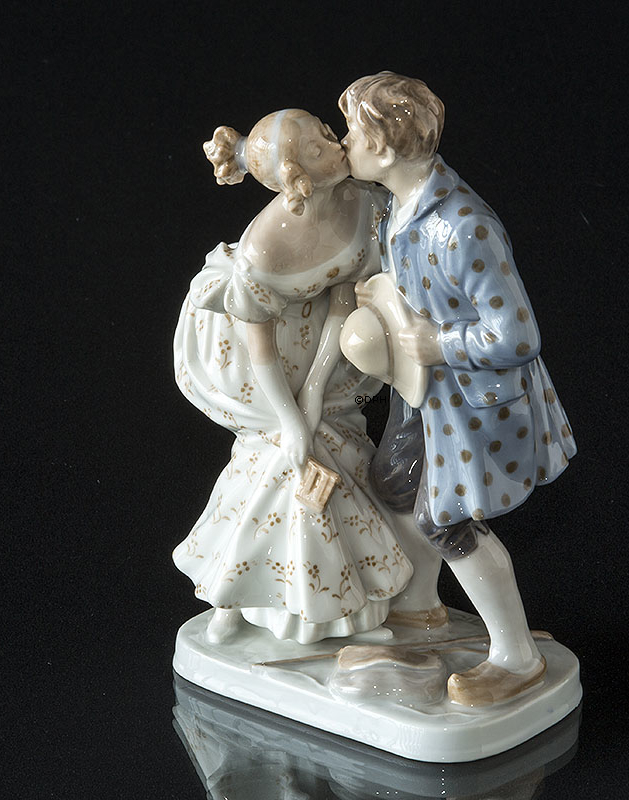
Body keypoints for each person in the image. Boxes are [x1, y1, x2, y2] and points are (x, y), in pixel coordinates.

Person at [339, 73, 577, 705]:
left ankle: (517, 656)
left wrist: (437, 344)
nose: (344, 144)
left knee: (445, 521)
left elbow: (517, 334)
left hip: (473, 401)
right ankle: (420, 610)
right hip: (423, 393)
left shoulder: (463, 226)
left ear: (383, 146)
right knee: (394, 481)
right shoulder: (396, 208)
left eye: (352, 132)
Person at [173, 109, 412, 645]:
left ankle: (343, 609)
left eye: (327, 131)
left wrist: (316, 391)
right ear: (298, 178)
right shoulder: (265, 247)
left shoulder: (359, 201)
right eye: (321, 146)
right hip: (262, 355)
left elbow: (343, 300)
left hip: (321, 340)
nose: (336, 141)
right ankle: (231, 594)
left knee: (334, 445)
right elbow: (257, 343)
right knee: (277, 458)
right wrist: (289, 417)